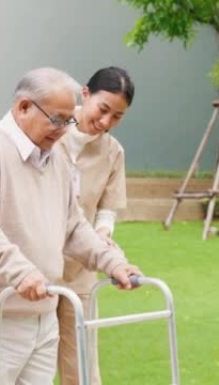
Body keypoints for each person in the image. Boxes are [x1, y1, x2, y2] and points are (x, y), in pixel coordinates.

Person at [0, 67, 142, 385]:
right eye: (58, 119)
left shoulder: (56, 161)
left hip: (42, 316)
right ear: (23, 107)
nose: (64, 129)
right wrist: (19, 270)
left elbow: (74, 227)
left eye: (67, 120)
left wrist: (112, 262)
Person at [55, 66, 134, 385]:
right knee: (32, 361)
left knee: (81, 365)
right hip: (35, 265)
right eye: (103, 110)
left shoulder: (113, 152)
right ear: (85, 94)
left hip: (80, 268)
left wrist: (103, 235)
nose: (106, 122)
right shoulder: (50, 131)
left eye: (117, 117)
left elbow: (106, 208)